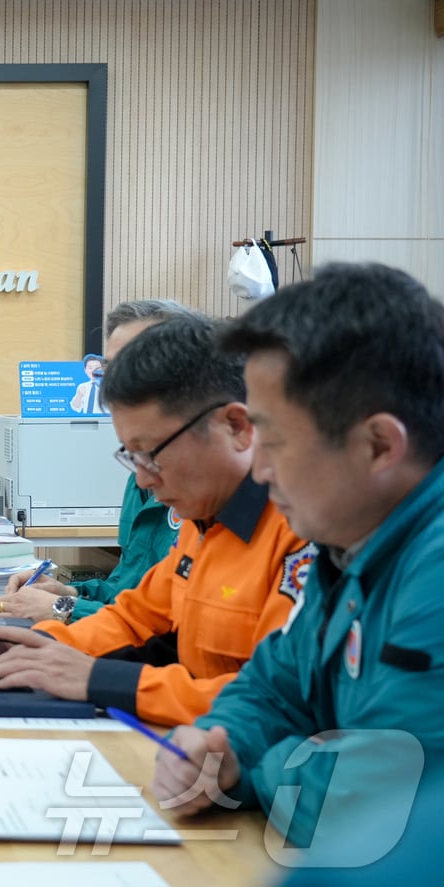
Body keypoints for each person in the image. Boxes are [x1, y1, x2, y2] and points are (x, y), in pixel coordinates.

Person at [152, 263, 444, 859]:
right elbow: (272, 686)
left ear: (379, 445)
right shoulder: (352, 543)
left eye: (275, 442)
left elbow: (377, 797)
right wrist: (222, 740)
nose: (259, 471)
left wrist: (250, 768)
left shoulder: (432, 568)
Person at [0, 315, 310, 726]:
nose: (142, 478)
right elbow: (134, 618)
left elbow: (276, 703)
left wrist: (101, 679)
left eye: (152, 452)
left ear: (235, 426)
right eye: (131, 455)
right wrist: (28, 648)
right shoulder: (203, 518)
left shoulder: (304, 532)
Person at [0, 300, 195, 624]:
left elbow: (166, 624)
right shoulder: (141, 470)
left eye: (132, 370)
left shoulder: (200, 488)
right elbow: (127, 591)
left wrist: (66, 611)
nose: (113, 386)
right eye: (109, 371)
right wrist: (69, 594)